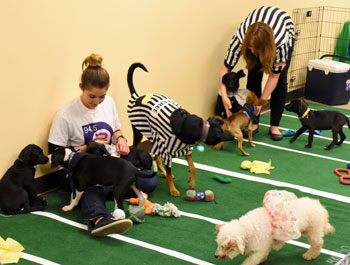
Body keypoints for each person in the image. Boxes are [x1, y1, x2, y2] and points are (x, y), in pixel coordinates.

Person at [48, 53, 157, 237]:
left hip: (108, 166)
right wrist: (87, 147)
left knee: (149, 180)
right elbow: (54, 154)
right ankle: (99, 219)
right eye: (92, 96)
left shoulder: (110, 104)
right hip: (79, 171)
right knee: (91, 187)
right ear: (81, 87)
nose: (97, 102)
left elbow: (115, 130)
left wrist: (120, 139)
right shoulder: (65, 114)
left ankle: (114, 192)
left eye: (102, 97)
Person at [219, 6, 294, 141]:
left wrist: (260, 102)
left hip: (284, 28)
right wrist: (224, 96)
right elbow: (225, 69)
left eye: (256, 49)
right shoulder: (240, 37)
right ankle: (254, 122)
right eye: (249, 47)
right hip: (258, 30)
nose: (253, 51)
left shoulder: (281, 42)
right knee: (253, 76)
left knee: (281, 81)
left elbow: (274, 75)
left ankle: (274, 125)